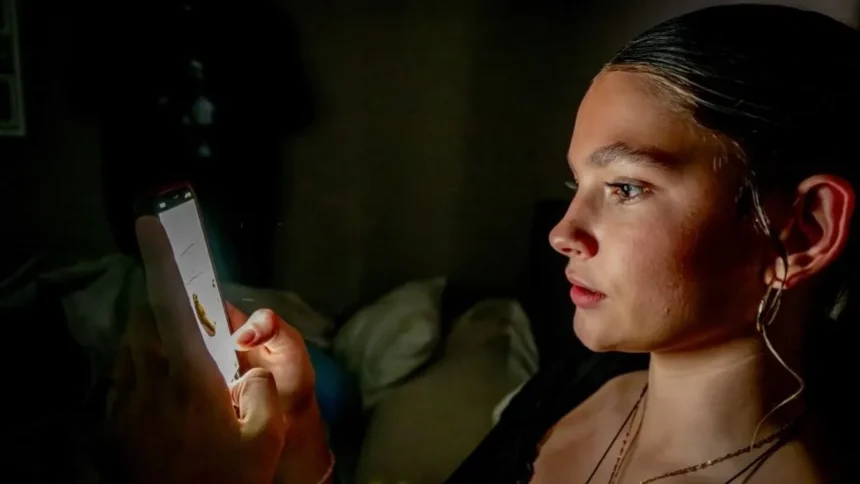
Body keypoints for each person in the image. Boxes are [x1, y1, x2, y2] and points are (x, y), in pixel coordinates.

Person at [110, 4, 858, 483]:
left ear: (804, 230)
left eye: (627, 187)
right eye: (577, 185)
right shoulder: (572, 386)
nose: (563, 234)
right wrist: (303, 447)